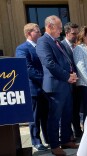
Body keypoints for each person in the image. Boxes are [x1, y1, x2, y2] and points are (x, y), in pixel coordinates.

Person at [36, 15, 79, 155]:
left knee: (67, 114)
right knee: (54, 117)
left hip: (65, 85)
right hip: (54, 87)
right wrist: (67, 76)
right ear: (49, 26)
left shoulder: (57, 42)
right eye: (59, 27)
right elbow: (49, 63)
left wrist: (71, 74)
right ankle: (54, 145)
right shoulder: (43, 41)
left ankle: (66, 139)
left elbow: (66, 61)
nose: (61, 31)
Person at [15, 23, 49, 151]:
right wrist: (45, 79)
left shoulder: (41, 47)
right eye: (37, 31)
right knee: (35, 118)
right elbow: (28, 69)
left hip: (45, 89)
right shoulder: (22, 49)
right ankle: (36, 141)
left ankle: (48, 139)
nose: (40, 33)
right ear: (29, 33)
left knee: (46, 116)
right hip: (34, 88)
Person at [61, 22, 83, 141]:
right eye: (74, 33)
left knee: (76, 110)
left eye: (77, 33)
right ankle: (68, 135)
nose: (76, 36)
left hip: (77, 84)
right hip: (67, 83)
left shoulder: (77, 46)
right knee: (67, 111)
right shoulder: (61, 45)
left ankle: (78, 132)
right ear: (67, 33)